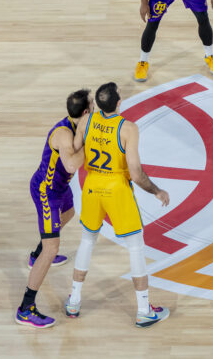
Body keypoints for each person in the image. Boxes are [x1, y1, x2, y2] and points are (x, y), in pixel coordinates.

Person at [64, 83, 172, 327]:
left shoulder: (86, 120)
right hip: (116, 189)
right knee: (135, 247)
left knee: (87, 241)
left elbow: (75, 150)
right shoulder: (128, 129)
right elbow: (136, 174)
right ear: (119, 103)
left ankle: (74, 301)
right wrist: (156, 190)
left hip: (92, 186)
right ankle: (143, 310)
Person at [15, 89, 91, 329]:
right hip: (46, 193)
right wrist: (90, 145)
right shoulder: (63, 134)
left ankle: (36, 255)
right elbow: (71, 164)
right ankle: (26, 308)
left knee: (69, 213)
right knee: (52, 248)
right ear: (86, 112)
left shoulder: (76, 127)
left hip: (60, 189)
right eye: (92, 107)